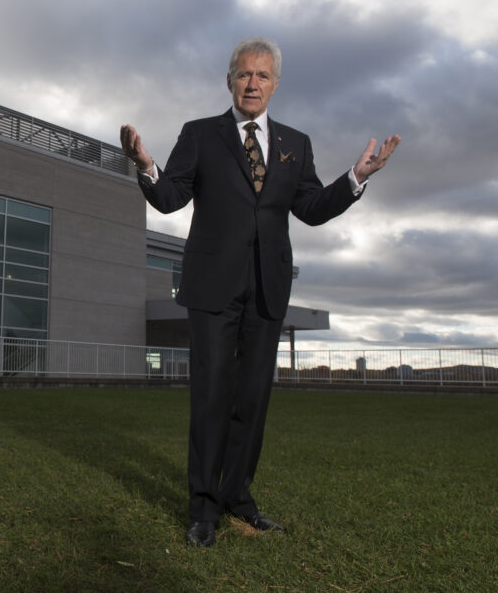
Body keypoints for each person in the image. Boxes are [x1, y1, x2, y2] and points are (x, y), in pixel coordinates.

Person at [120, 37, 400, 547]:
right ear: (229, 81)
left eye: (262, 76)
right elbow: (170, 198)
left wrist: (356, 177)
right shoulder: (200, 134)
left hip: (267, 286)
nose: (253, 83)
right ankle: (203, 509)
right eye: (244, 75)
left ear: (275, 84)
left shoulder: (296, 142)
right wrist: (145, 165)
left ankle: (238, 498)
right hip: (211, 286)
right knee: (210, 397)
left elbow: (311, 208)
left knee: (252, 399)